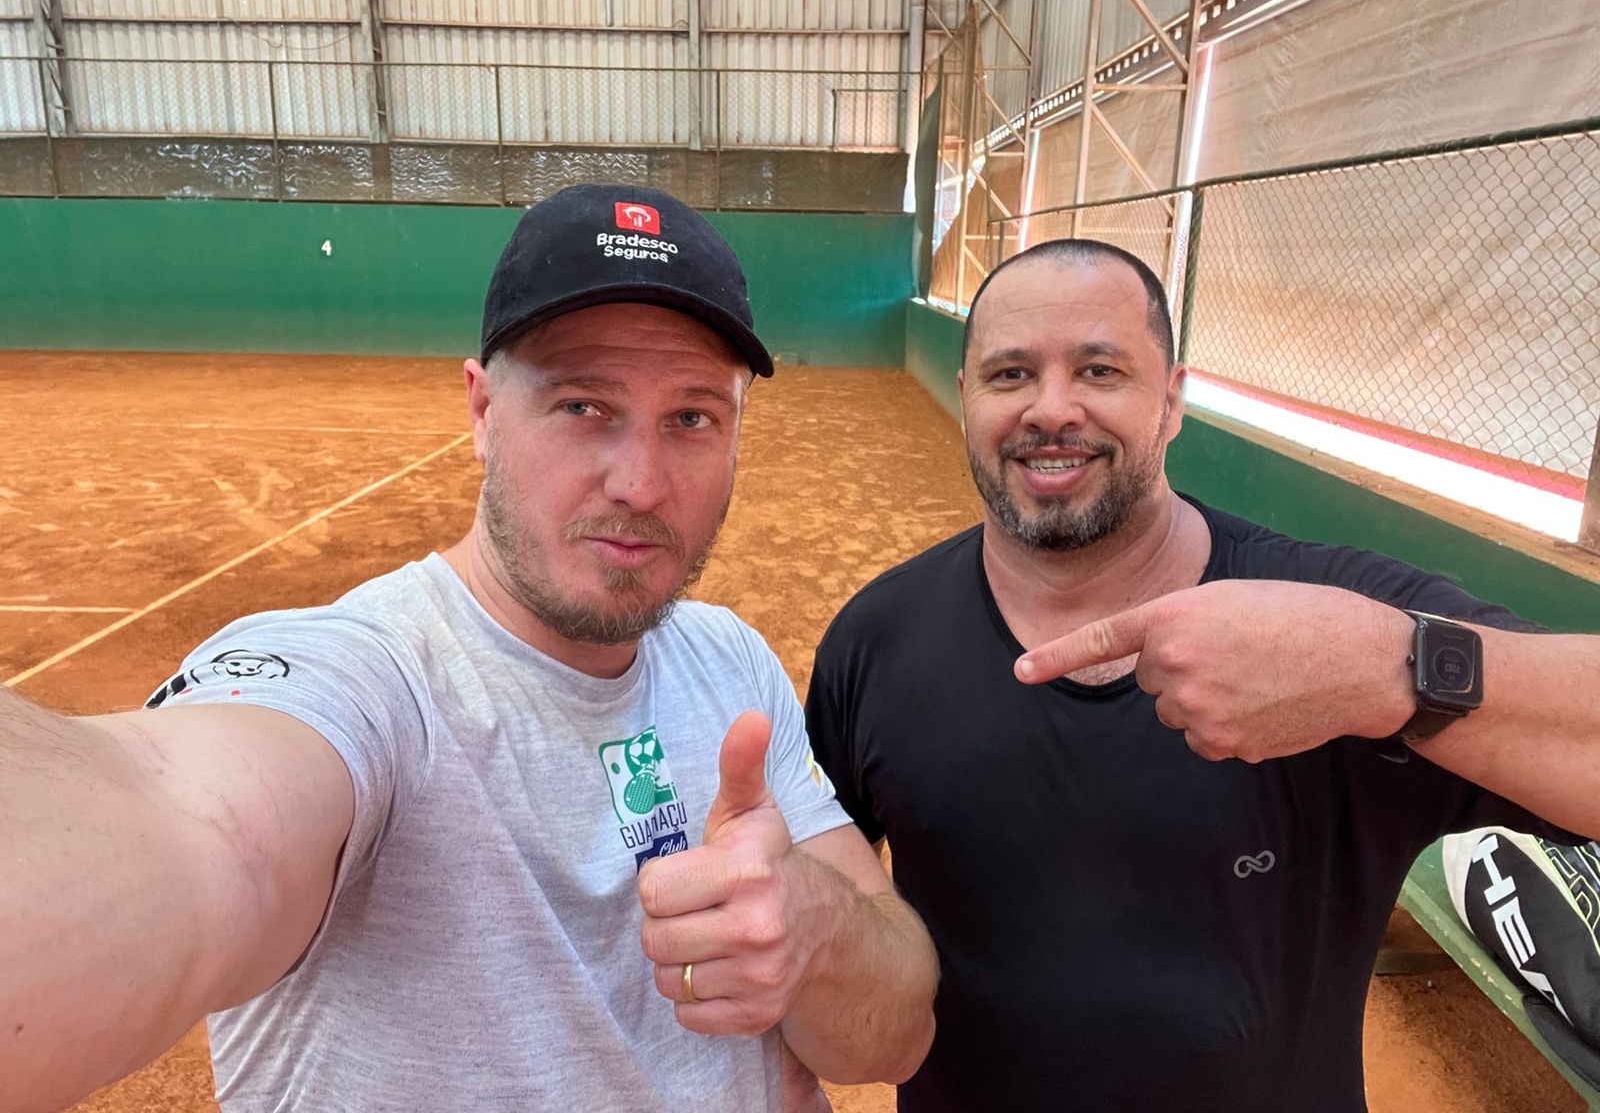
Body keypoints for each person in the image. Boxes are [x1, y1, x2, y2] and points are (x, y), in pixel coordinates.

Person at [1, 184, 938, 1113]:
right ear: (483, 411)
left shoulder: (729, 664)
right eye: (583, 406)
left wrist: (815, 929)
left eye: (691, 418)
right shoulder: (372, 681)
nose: (641, 484)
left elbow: (896, 1036)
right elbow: (193, 820)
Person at [804, 238, 1600, 1113]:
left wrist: (1391, 668)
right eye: (1010, 375)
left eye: (1100, 370)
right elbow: (833, 902)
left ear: (1173, 399)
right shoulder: (875, 639)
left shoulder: (1330, 620)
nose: (1052, 409)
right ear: (967, 398)